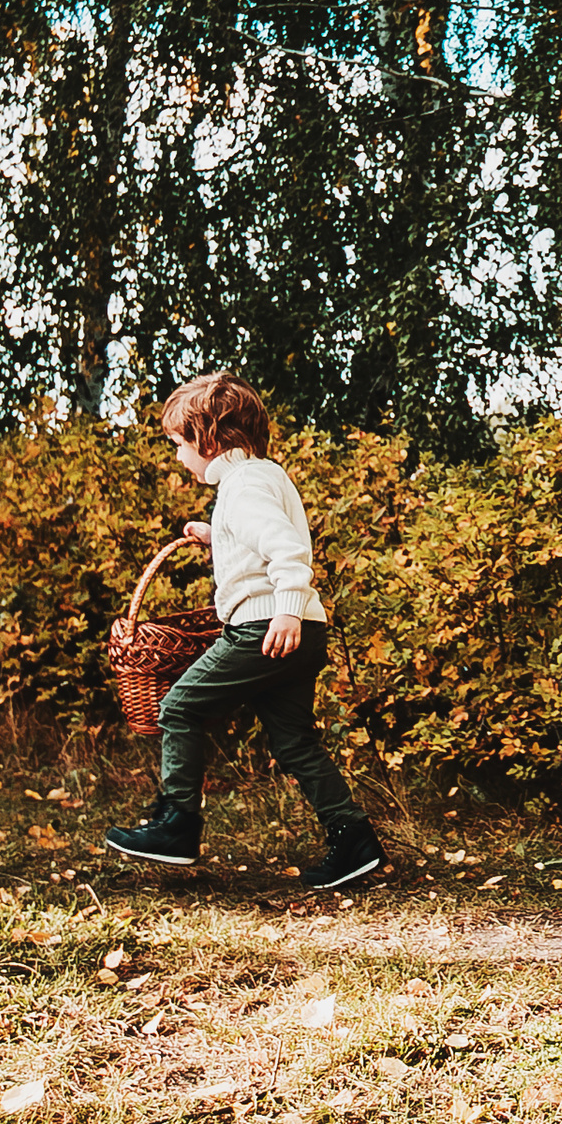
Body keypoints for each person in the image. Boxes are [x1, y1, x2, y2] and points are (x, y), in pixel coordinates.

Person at [104, 372, 386, 889]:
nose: (178, 457)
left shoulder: (243, 484)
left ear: (208, 438)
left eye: (178, 444)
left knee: (181, 707)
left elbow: (285, 549)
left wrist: (285, 609)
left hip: (266, 625)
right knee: (295, 741)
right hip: (302, 628)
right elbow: (261, 541)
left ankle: (177, 825)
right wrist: (218, 535)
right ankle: (355, 841)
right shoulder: (261, 477)